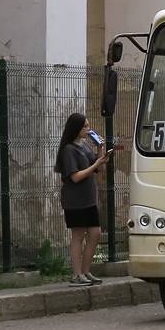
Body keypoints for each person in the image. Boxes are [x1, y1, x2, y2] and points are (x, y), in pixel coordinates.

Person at [53, 111, 110, 286]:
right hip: (75, 201)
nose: (88, 129)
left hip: (89, 199)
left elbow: (99, 169)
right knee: (78, 235)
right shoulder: (69, 149)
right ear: (76, 128)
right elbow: (75, 177)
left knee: (95, 233)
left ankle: (86, 271)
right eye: (85, 126)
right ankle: (76, 274)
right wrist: (95, 164)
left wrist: (100, 149)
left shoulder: (84, 145)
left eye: (88, 125)